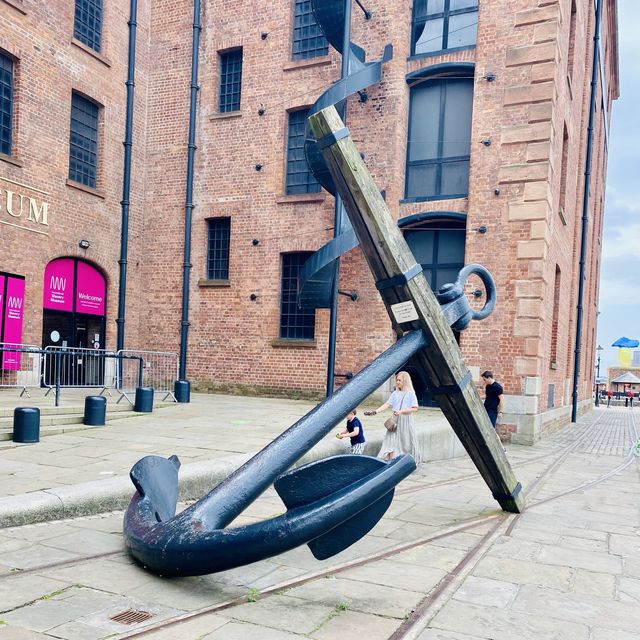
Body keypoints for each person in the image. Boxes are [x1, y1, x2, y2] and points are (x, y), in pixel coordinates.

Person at [364, 371, 421, 463]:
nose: (397, 382)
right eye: (397, 380)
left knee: (405, 441)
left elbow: (415, 408)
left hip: (405, 419)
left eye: (399, 380)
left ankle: (405, 461)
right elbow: (387, 404)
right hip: (394, 419)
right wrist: (376, 411)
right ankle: (390, 460)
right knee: (390, 440)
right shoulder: (395, 393)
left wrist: (402, 411)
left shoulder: (410, 393)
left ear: (405, 381)